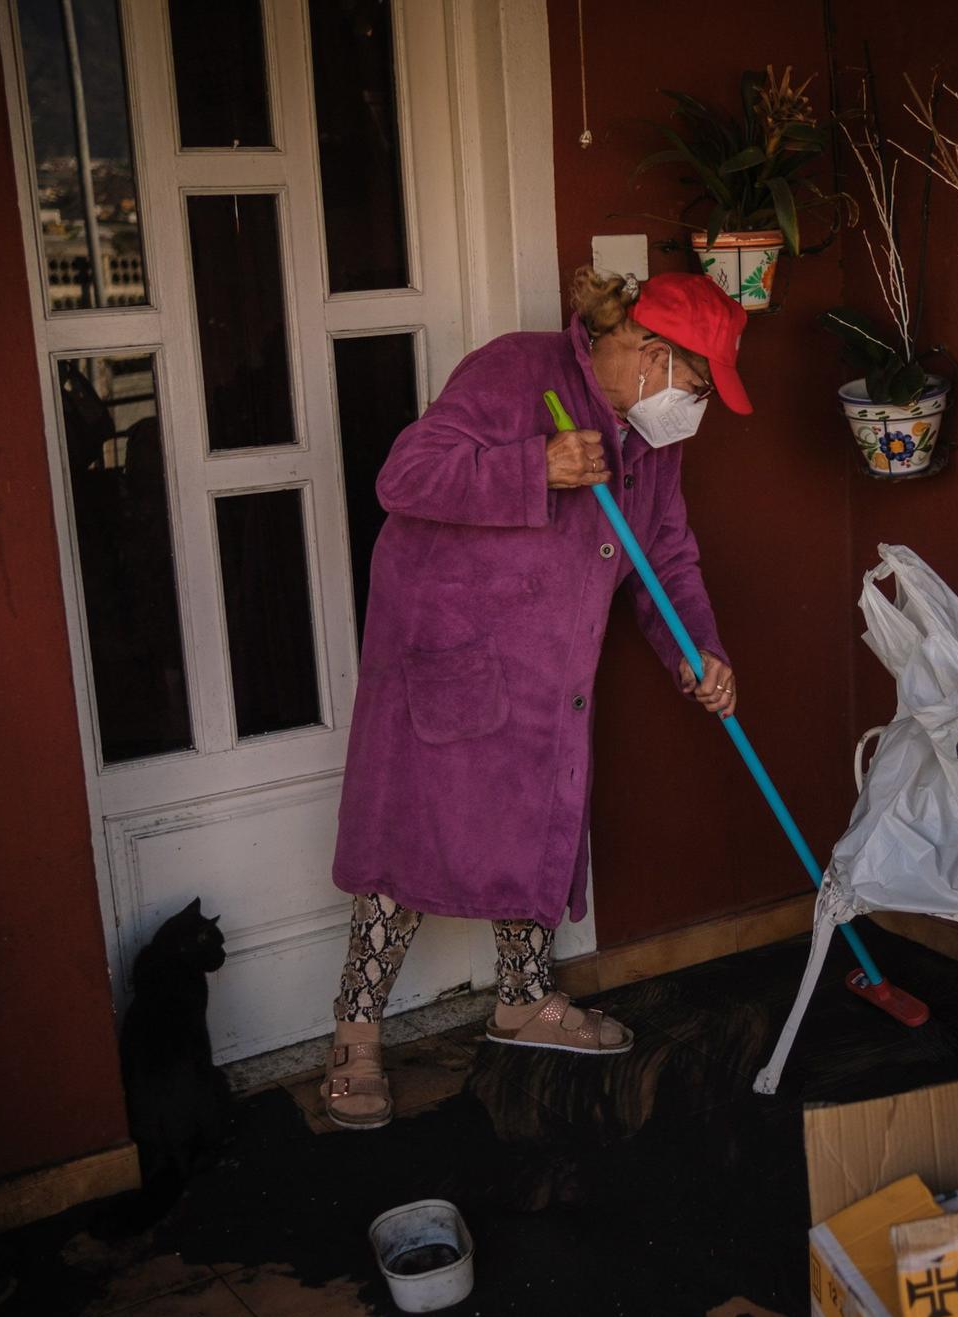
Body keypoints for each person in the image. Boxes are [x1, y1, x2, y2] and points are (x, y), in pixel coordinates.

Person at [319, 267, 751, 1129]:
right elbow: (404, 478)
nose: (692, 410)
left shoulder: (652, 447)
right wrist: (536, 466)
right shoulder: (517, 371)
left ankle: (522, 1000)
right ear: (651, 351)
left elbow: (666, 563)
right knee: (406, 844)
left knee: (530, 832)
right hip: (456, 657)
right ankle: (356, 1033)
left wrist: (697, 650)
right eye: (694, 387)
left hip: (551, 678)